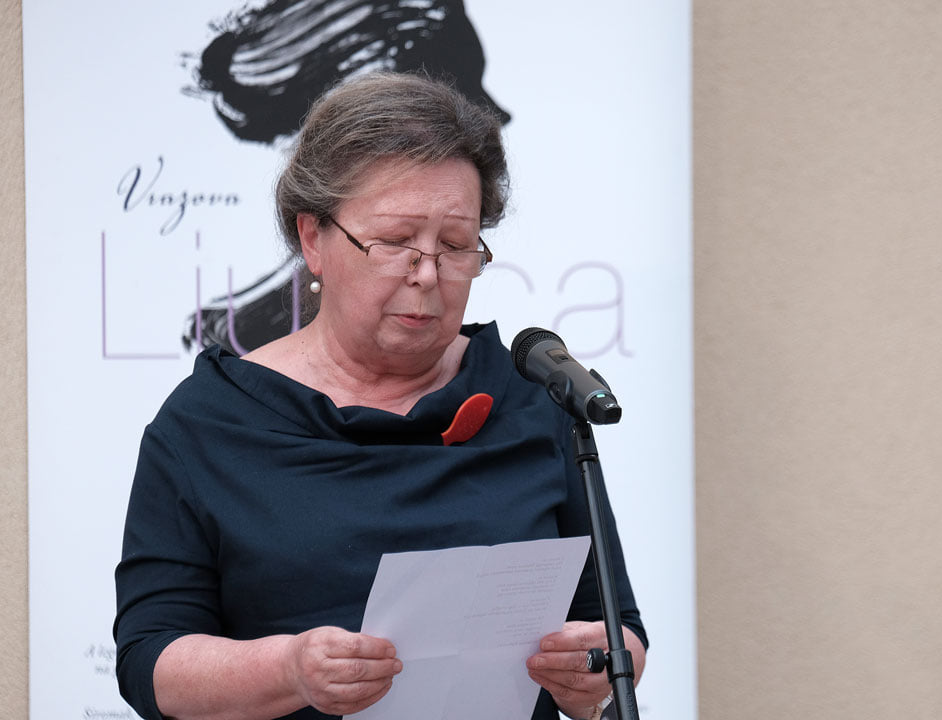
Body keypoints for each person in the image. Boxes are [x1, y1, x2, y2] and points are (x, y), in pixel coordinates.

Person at [114, 71, 646, 720]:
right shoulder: (208, 423)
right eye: (395, 242)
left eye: (455, 246)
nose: (428, 275)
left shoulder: (532, 400)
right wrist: (289, 671)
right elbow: (150, 662)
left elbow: (616, 630)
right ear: (313, 239)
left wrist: (592, 670)